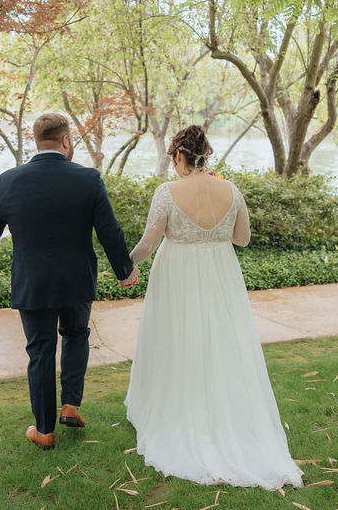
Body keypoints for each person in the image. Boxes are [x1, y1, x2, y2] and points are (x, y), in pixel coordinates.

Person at [125, 125, 303, 489]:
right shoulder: (231, 190)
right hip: (221, 275)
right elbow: (243, 239)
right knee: (221, 343)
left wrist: (126, 264)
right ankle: (223, 413)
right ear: (204, 155)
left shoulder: (167, 192)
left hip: (177, 274)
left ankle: (179, 411)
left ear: (179, 156)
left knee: (176, 339)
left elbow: (149, 242)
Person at [0, 113, 139, 450]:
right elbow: (109, 230)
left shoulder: (8, 181)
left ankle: (45, 430)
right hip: (76, 279)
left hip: (32, 282)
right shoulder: (88, 179)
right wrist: (125, 270)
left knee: (41, 350)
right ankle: (70, 405)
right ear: (66, 141)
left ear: (37, 141)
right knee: (77, 335)